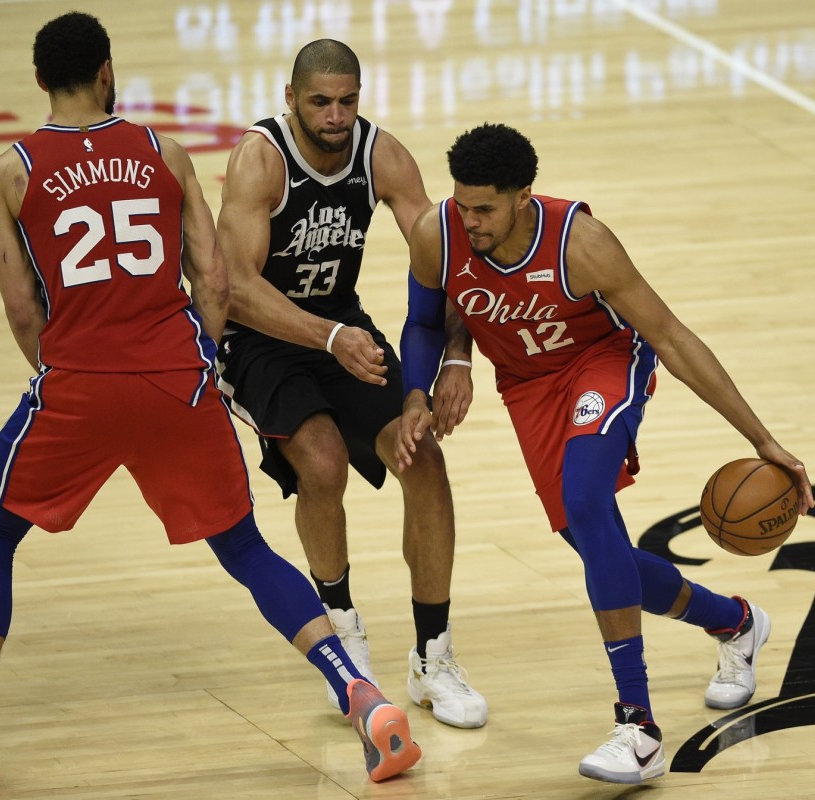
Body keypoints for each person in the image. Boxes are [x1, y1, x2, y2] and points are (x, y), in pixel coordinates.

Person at [0, 13, 420, 787]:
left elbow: (19, 306)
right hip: (178, 378)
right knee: (244, 548)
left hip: (79, 382)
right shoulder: (164, 152)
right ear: (107, 72)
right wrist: (196, 359)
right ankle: (362, 696)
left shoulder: (6, 173)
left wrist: (65, 375)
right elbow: (214, 279)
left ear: (41, 80)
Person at [397, 123, 815, 784]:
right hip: (528, 385)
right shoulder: (436, 232)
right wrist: (423, 388)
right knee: (595, 545)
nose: (469, 220)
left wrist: (761, 439)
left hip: (602, 362)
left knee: (587, 502)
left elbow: (672, 338)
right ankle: (735, 622)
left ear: (524, 197)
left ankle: (638, 728)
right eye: (463, 204)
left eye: (485, 209)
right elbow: (425, 319)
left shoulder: (581, 243)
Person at [213, 39, 487, 728]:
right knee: (323, 460)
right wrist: (330, 337)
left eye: (347, 101)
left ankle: (433, 657)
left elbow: (447, 260)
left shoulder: (381, 154)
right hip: (259, 341)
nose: (335, 117)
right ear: (291, 98)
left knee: (424, 458)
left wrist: (457, 357)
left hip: (340, 325)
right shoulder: (261, 160)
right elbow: (235, 287)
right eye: (320, 102)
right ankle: (341, 629)